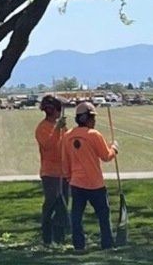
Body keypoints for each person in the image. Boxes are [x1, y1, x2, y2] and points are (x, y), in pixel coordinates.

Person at [64, 103, 118, 251]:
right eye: (93, 118)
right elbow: (106, 156)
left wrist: (69, 177)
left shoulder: (67, 136)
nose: (94, 121)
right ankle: (107, 244)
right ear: (86, 118)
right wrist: (114, 148)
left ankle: (79, 245)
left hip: (76, 183)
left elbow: (65, 161)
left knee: (76, 217)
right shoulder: (94, 135)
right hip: (95, 184)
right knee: (103, 216)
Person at [33, 93, 70, 245]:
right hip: (50, 173)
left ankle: (60, 238)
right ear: (52, 111)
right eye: (58, 110)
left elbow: (66, 142)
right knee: (51, 204)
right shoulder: (42, 128)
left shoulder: (61, 127)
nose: (59, 113)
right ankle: (47, 238)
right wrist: (57, 129)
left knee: (63, 205)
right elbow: (49, 145)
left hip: (64, 172)